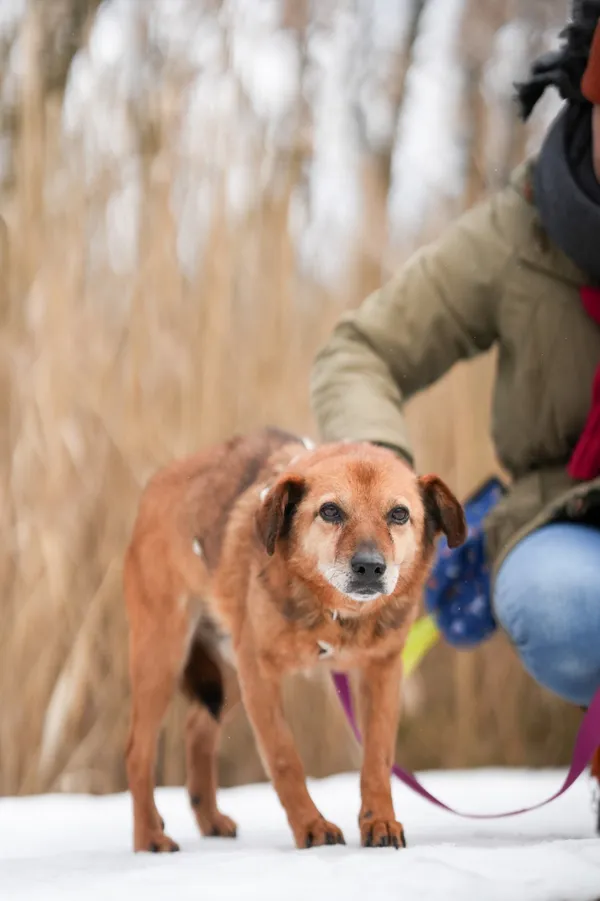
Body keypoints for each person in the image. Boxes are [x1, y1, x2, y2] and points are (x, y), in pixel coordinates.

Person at [311, 2, 600, 717]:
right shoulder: (519, 231)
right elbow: (362, 351)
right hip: (568, 527)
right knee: (558, 602)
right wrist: (382, 491)